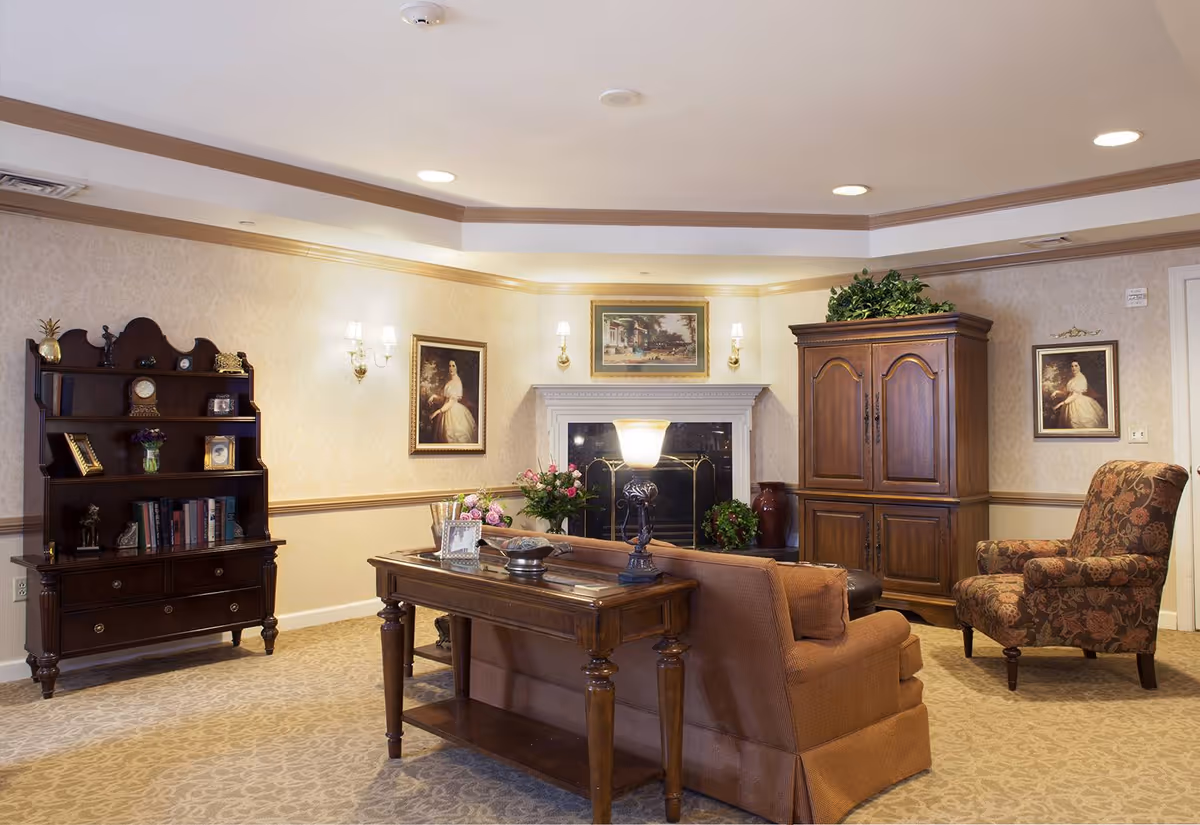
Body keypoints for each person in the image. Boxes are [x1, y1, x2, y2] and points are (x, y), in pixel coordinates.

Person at [428, 359, 478, 443]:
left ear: (457, 368)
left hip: (454, 413)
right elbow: (444, 399)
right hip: (445, 411)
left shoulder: (457, 382)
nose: (451, 368)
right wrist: (434, 396)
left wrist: (437, 412)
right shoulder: (449, 382)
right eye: (449, 366)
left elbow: (451, 402)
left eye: (453, 366)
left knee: (453, 436)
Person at [1051, 360, 1106, 429]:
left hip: (1078, 404)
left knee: (1078, 423)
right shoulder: (1072, 379)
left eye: (1076, 366)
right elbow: (1068, 393)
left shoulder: (1081, 378)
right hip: (1069, 402)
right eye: (1072, 366)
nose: (1073, 368)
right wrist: (1056, 392)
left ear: (1080, 367)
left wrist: (1061, 404)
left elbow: (1075, 395)